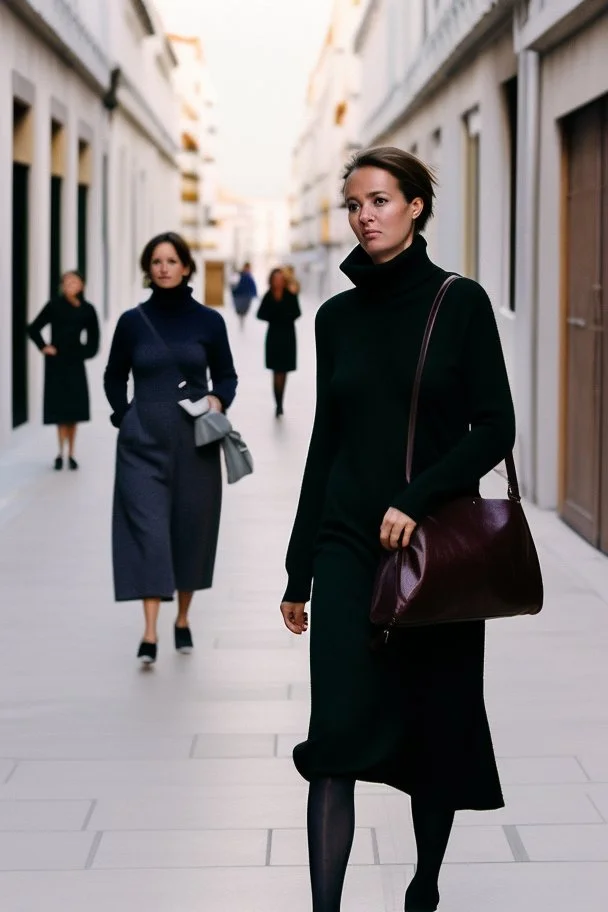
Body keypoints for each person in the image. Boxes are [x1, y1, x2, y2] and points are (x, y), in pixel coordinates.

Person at [280, 147, 516, 912]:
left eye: (378, 200)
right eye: (353, 204)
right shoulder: (335, 317)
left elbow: (495, 427)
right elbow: (326, 440)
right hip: (347, 544)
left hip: (434, 548)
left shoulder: (461, 302)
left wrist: (415, 497)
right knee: (335, 734)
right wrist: (297, 569)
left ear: (416, 206)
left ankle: (424, 887)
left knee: (433, 725)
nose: (363, 216)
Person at [103, 231, 238, 665]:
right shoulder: (131, 321)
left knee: (190, 531)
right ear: (149, 268)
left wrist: (219, 400)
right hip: (141, 445)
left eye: (171, 260)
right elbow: (113, 375)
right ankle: (149, 632)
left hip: (195, 443)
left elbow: (227, 376)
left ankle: (182, 618)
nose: (163, 267)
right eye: (156, 261)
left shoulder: (209, 322)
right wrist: (126, 416)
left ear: (185, 267)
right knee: (148, 531)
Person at [27, 270, 100, 470]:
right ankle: (59, 452)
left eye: (74, 281)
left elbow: (94, 339)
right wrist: (44, 347)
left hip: (75, 363)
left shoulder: (87, 309)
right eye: (66, 282)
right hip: (57, 362)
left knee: (74, 411)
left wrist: (84, 353)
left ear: (82, 285)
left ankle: (72, 453)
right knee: (60, 411)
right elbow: (33, 328)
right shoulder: (54, 306)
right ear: (61, 285)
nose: (70, 285)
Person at [256, 268, 301, 417]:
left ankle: (280, 402)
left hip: (288, 337)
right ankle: (278, 404)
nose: (278, 282)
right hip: (274, 337)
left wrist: (283, 315)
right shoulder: (268, 296)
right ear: (271, 280)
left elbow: (297, 313)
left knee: (284, 371)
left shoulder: (290, 295)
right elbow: (260, 314)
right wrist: (275, 316)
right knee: (276, 371)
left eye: (281, 279)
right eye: (276, 279)